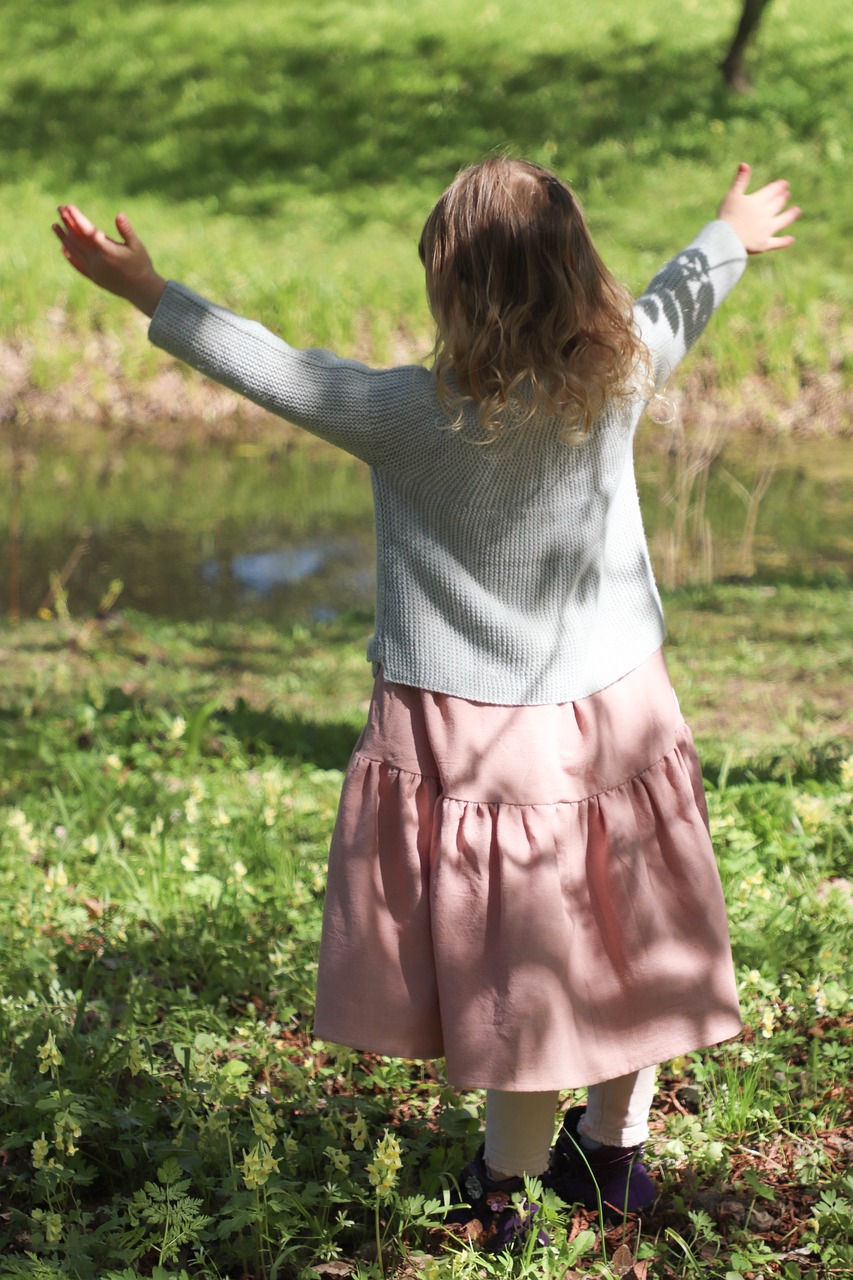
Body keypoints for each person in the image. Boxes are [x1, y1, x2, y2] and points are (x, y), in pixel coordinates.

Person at [53, 159, 799, 1248]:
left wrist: (148, 291)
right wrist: (727, 230)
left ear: (452, 289)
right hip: (622, 712)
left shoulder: (409, 414)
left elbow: (275, 369)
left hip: (485, 733)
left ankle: (506, 1193)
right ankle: (615, 1154)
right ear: (576, 273)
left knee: (529, 970)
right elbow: (680, 294)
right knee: (628, 936)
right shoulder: (620, 370)